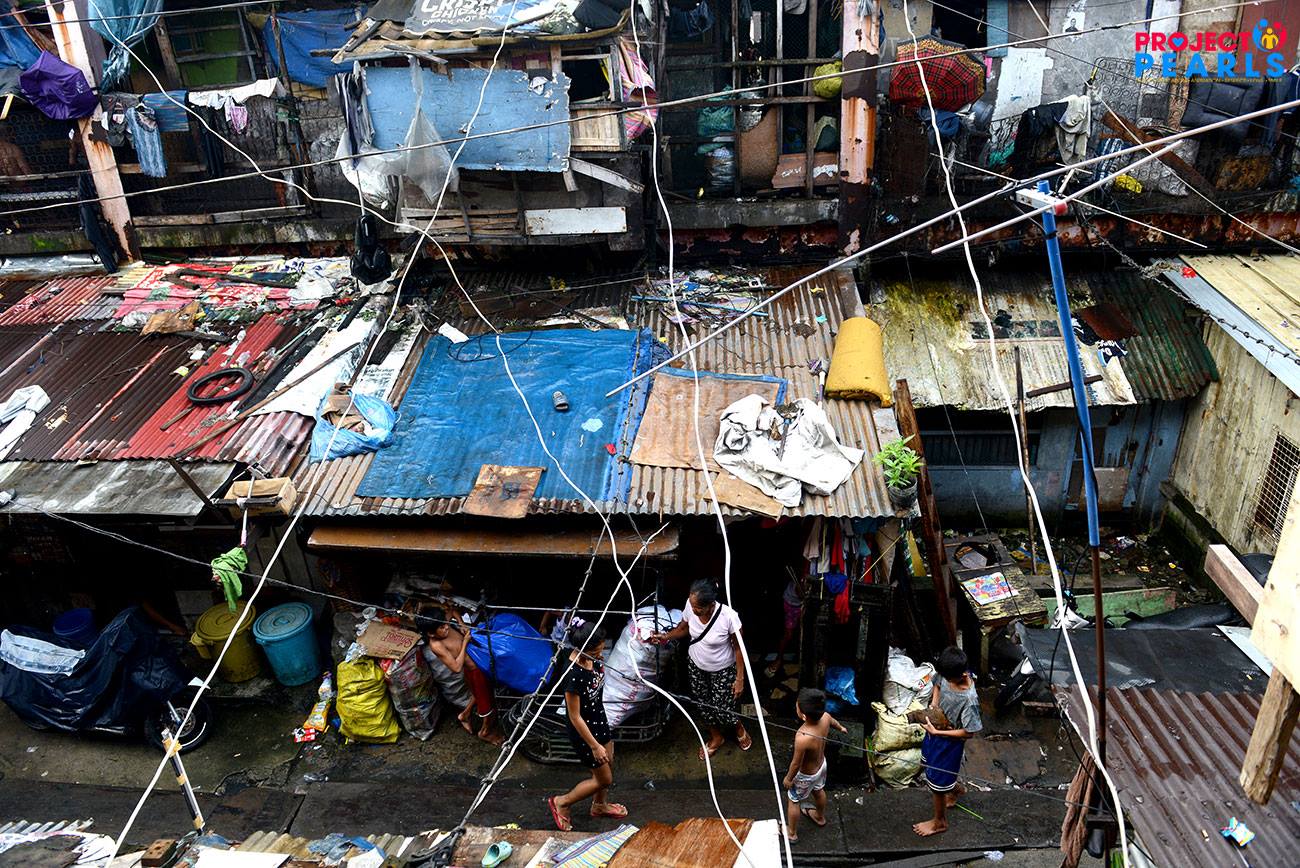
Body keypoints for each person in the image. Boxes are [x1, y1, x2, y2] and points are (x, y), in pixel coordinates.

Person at [650, 578, 752, 759]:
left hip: (723, 668)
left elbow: (739, 648)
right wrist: (666, 637)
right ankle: (716, 737)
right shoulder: (691, 606)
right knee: (703, 704)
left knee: (723, 708)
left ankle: (738, 727)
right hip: (696, 665)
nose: (693, 610)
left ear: (711, 605)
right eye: (692, 606)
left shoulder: (729, 617)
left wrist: (740, 678)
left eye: (698, 608)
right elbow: (684, 628)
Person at [547, 621, 627, 831]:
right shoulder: (572, 675)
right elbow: (574, 717)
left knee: (609, 762)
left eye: (601, 649)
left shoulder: (593, 659)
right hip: (584, 732)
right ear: (582, 649)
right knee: (604, 779)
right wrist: (594, 745)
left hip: (599, 720)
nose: (600, 655)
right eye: (595, 652)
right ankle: (562, 802)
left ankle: (599, 805)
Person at [913, 645, 983, 837]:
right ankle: (954, 790)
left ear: (962, 675)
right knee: (929, 763)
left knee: (936, 782)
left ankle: (939, 822)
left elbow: (969, 732)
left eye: (947, 678)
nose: (943, 679)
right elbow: (937, 683)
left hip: (949, 743)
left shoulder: (969, 699)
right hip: (935, 732)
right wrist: (934, 706)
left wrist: (938, 732)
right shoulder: (947, 672)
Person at [423, 606, 503, 746]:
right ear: (431, 634)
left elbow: (452, 610)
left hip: (479, 664)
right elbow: (456, 667)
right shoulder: (436, 645)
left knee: (477, 696)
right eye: (442, 627)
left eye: (446, 624)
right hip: (474, 671)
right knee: (488, 705)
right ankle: (485, 732)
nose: (447, 627)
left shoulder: (441, 623)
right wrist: (464, 642)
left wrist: (461, 623)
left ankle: (464, 715)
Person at [784, 688, 847, 843]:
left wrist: (789, 778)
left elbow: (796, 763)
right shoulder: (825, 717)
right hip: (821, 766)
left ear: (803, 715)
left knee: (793, 800)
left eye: (797, 706)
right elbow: (834, 722)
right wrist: (841, 728)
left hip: (806, 775)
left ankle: (791, 833)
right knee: (818, 790)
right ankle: (819, 817)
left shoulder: (802, 737)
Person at [765, 573, 807, 679]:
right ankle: (779, 658)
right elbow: (800, 593)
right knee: (788, 634)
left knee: (804, 632)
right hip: (791, 604)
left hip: (801, 604)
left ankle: (801, 660)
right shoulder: (798, 578)